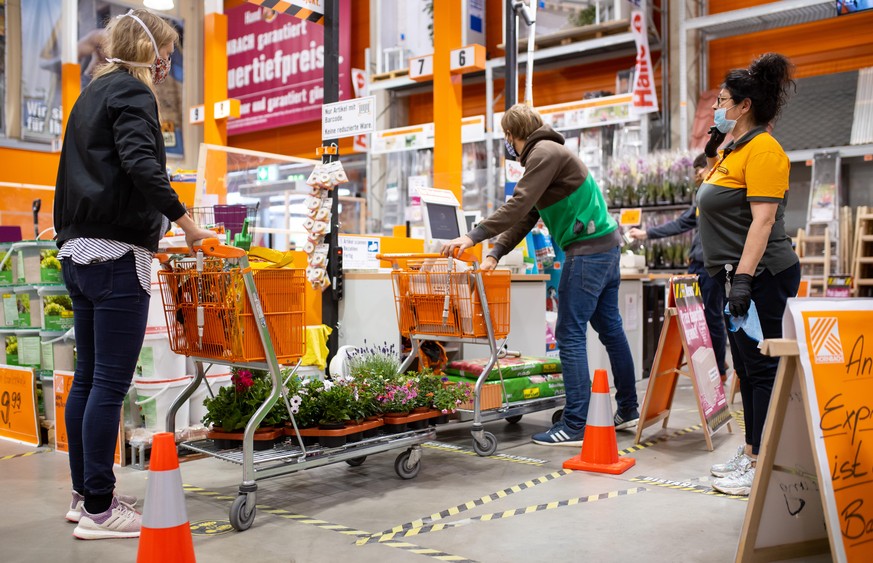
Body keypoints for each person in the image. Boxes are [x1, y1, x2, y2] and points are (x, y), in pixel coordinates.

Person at [53, 9, 214, 540]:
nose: (169, 61)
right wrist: (188, 225)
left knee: (88, 379)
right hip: (118, 255)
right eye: (166, 50)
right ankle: (101, 509)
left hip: (78, 252)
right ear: (149, 52)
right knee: (109, 384)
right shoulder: (133, 93)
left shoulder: (90, 94)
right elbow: (144, 165)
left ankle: (84, 495)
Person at [441, 103, 639, 446]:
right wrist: (494, 253)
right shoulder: (551, 154)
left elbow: (516, 205)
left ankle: (576, 423)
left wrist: (472, 236)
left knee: (570, 334)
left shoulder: (543, 154)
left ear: (510, 135)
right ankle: (629, 407)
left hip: (587, 250)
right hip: (606, 248)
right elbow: (527, 216)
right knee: (609, 327)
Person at [696, 53, 800, 496]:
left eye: (721, 101)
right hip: (734, 273)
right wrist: (715, 146)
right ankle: (753, 447)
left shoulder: (764, 150)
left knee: (761, 370)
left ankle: (763, 461)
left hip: (763, 275)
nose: (716, 108)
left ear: (743, 106)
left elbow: (761, 222)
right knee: (744, 365)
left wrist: (743, 279)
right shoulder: (735, 148)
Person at [627, 153, 730, 382]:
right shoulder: (702, 197)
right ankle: (714, 362)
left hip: (713, 266)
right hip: (697, 265)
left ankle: (719, 372)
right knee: (698, 319)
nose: (696, 174)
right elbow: (683, 223)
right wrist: (647, 233)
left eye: (699, 169)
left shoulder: (721, 193)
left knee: (712, 317)